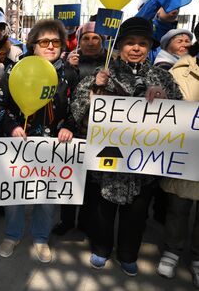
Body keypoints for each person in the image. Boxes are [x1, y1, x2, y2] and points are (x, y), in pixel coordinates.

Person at [71, 17, 183, 276]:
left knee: (137, 213)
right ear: (119, 45)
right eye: (130, 43)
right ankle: (100, 249)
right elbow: (78, 112)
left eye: (142, 44)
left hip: (143, 166)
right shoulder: (103, 73)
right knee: (102, 211)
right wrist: (95, 89)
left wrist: (167, 101)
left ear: (149, 47)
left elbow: (182, 118)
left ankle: (128, 254)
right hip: (106, 162)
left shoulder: (161, 77)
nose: (136, 48)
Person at [0, 19, 75, 263]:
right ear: (33, 45)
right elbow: (0, 105)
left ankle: (41, 237)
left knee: (47, 198)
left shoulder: (69, 74)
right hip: (19, 144)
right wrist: (12, 126)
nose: (51, 46)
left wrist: (70, 127)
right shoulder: (14, 70)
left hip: (53, 147)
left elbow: (77, 108)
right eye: (44, 42)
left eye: (56, 42)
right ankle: (12, 234)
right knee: (15, 195)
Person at [54, 21, 106, 236]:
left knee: (92, 184)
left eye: (96, 38)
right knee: (70, 177)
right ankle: (66, 221)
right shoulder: (70, 63)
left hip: (100, 132)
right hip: (73, 129)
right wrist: (69, 68)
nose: (91, 42)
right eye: (86, 38)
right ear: (79, 40)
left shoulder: (110, 65)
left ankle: (85, 221)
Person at [156, 44, 199, 287]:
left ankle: (197, 257)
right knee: (178, 206)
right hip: (184, 151)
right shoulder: (179, 70)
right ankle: (172, 251)